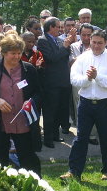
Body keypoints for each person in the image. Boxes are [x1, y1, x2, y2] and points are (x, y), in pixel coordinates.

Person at [60, 30, 107, 181]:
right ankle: (74, 171)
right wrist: (88, 79)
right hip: (86, 103)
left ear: (106, 43)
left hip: (106, 104)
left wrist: (97, 77)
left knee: (106, 138)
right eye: (94, 42)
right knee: (80, 138)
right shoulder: (83, 58)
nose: (96, 45)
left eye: (100, 43)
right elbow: (74, 79)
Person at [0, 34, 41, 176]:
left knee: (28, 157)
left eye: (19, 53)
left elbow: (38, 93)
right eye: (13, 53)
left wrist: (30, 101)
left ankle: (34, 183)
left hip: (23, 121)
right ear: (4, 52)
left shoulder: (29, 69)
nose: (17, 56)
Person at [37, 17, 73, 148]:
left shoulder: (59, 40)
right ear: (50, 27)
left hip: (63, 80)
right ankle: (48, 139)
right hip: (51, 82)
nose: (60, 29)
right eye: (58, 26)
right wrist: (64, 46)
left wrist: (67, 44)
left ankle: (56, 135)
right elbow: (52, 58)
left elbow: (64, 56)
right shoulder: (43, 40)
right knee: (50, 111)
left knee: (60, 110)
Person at [69, 23, 99, 145]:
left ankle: (92, 135)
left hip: (95, 81)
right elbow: (71, 62)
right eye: (83, 35)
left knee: (94, 107)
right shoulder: (74, 46)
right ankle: (81, 133)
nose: (86, 38)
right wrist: (85, 55)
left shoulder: (98, 46)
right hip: (79, 80)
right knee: (79, 106)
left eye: (89, 35)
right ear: (79, 35)